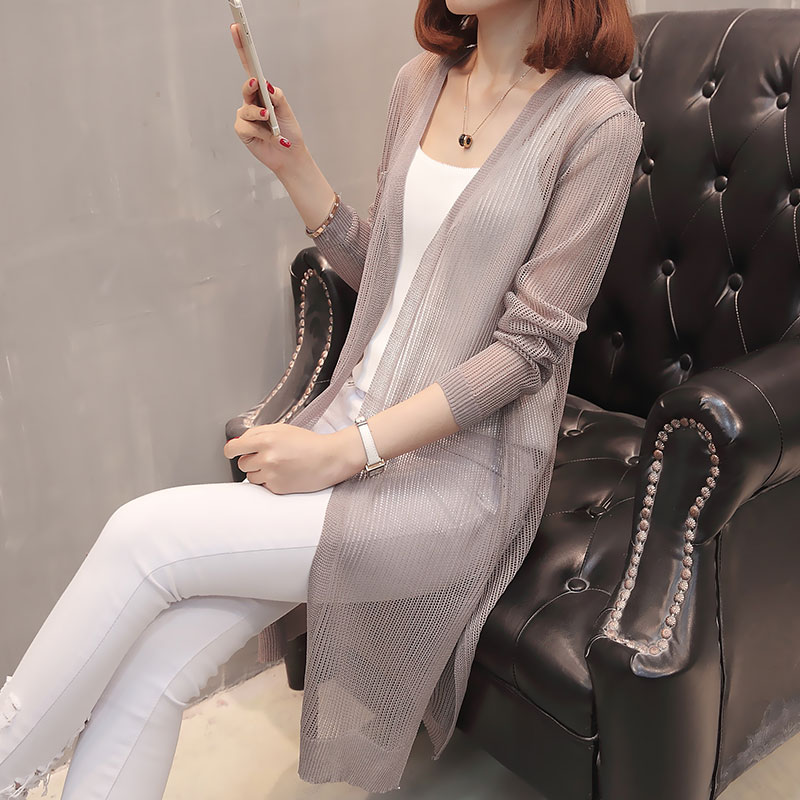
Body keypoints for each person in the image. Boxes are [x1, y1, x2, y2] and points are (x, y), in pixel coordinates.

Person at [0, 0, 642, 796]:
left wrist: (345, 452)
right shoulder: (421, 82)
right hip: (348, 426)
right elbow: (394, 274)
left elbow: (527, 352)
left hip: (460, 478)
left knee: (142, 538)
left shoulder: (596, 123)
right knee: (158, 664)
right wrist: (294, 167)